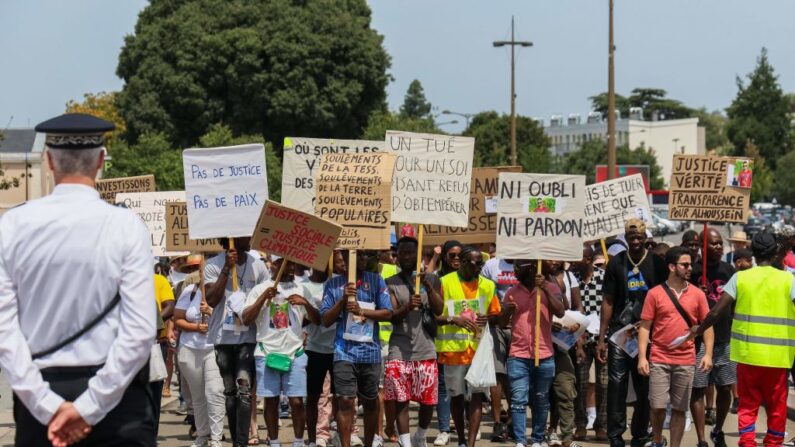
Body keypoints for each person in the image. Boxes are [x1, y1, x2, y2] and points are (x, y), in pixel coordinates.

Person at [0, 113, 157, 446]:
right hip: (118, 400)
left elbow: (4, 331)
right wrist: (91, 406)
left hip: (39, 396)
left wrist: (47, 406)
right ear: (100, 161)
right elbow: (140, 333)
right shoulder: (127, 227)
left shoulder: (12, 226)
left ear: (48, 161)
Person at [690, 232, 795, 447]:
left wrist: (699, 330)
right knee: (777, 405)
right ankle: (773, 443)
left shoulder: (740, 278)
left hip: (747, 355)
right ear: (776, 252)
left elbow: (716, 312)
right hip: (779, 357)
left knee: (748, 404)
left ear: (754, 254)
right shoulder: (789, 279)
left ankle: (747, 442)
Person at [597, 218, 668, 447]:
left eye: (639, 237)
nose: (636, 241)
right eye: (631, 238)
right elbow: (607, 301)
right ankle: (615, 436)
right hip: (621, 333)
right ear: (626, 240)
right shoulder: (616, 263)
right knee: (616, 385)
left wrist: (653, 325)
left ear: (646, 237)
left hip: (648, 333)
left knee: (644, 386)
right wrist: (602, 338)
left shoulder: (657, 264)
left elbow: (664, 299)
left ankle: (639, 434)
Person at [637, 246, 713, 447]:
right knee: (657, 406)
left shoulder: (697, 294)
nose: (690, 268)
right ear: (672, 266)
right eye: (685, 264)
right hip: (659, 358)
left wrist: (708, 354)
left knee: (680, 408)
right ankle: (656, 440)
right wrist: (642, 357)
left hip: (686, 359)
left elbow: (707, 327)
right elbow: (645, 326)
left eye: (690, 264)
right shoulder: (654, 293)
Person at [321, 250, 394, 447]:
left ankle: (369, 443)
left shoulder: (376, 280)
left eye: (366, 256)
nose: (362, 259)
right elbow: (325, 319)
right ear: (344, 259)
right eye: (357, 256)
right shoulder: (333, 284)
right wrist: (343, 300)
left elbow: (388, 313)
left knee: (370, 402)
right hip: (343, 351)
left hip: (370, 352)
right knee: (345, 400)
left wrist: (363, 311)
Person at [242, 258, 318, 447]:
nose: (291, 267)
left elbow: (316, 319)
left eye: (293, 263)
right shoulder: (261, 289)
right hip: (267, 353)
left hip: (296, 353)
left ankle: (298, 441)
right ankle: (274, 441)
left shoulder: (301, 288)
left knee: (297, 401)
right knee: (271, 401)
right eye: (285, 263)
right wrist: (263, 299)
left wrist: (305, 303)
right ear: (274, 265)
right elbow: (246, 319)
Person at [205, 237, 270, 447]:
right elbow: (212, 300)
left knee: (243, 388)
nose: (250, 239)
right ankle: (235, 439)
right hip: (223, 339)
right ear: (229, 239)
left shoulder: (258, 265)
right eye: (245, 236)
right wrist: (226, 268)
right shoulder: (213, 265)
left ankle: (241, 443)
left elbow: (266, 299)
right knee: (230, 392)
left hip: (248, 338)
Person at [436, 246, 501, 447]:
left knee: (477, 397)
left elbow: (496, 314)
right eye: (476, 263)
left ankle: (470, 443)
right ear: (463, 262)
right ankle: (462, 441)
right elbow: (434, 316)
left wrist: (487, 318)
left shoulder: (488, 285)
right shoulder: (445, 282)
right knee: (456, 397)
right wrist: (454, 319)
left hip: (478, 350)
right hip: (452, 351)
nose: (480, 266)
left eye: (481, 263)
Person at [384, 237, 444, 447]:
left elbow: (439, 309)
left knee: (428, 401)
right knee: (401, 399)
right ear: (397, 257)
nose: (407, 257)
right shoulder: (390, 282)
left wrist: (427, 284)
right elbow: (391, 315)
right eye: (403, 253)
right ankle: (406, 442)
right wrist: (408, 306)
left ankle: (420, 434)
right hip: (399, 349)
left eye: (411, 253)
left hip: (426, 348)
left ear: (418, 255)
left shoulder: (433, 280)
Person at [503, 260, 565, 447]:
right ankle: (521, 440)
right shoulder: (512, 292)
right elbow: (501, 322)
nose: (515, 270)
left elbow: (560, 312)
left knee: (541, 399)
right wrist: (507, 311)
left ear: (531, 268)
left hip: (544, 353)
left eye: (519, 267)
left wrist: (544, 288)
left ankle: (538, 439)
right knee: (518, 399)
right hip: (518, 354)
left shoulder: (551, 287)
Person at [688, 228, 735, 447]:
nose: (717, 247)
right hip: (698, 340)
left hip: (724, 337)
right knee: (698, 387)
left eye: (719, 244)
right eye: (712, 244)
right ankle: (701, 439)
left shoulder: (729, 270)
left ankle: (717, 430)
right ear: (703, 246)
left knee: (725, 387)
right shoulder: (693, 270)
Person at [174, 254, 225, 447]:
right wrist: (196, 327)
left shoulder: (223, 292)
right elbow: (178, 318)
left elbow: (232, 319)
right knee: (198, 396)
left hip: (213, 348)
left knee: (215, 392)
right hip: (190, 349)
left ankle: (217, 438)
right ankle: (202, 436)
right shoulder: (190, 291)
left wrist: (211, 312)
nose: (198, 273)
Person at [570, 246, 608, 441]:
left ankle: (601, 425)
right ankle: (580, 425)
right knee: (580, 383)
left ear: (589, 259)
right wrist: (577, 341)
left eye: (579, 257)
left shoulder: (604, 277)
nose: (575, 261)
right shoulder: (571, 279)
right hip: (580, 340)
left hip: (602, 339)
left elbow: (609, 305)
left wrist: (603, 338)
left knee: (603, 383)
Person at [481, 256, 518, 442]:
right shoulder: (491, 265)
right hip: (496, 325)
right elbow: (483, 291)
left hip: (519, 326)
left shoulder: (527, 261)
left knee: (515, 374)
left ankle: (512, 422)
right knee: (497, 374)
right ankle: (497, 423)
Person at [432, 240, 463, 446]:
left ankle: (464, 426)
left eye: (459, 255)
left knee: (466, 389)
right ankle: (444, 429)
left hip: (468, 345)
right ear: (444, 257)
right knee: (443, 387)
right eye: (451, 255)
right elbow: (434, 312)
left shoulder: (472, 279)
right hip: (443, 343)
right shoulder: (438, 279)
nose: (456, 259)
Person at [304, 262, 336, 447]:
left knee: (339, 396)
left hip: (336, 348)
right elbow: (304, 319)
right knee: (313, 396)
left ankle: (340, 434)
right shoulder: (303, 286)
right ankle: (312, 439)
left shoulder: (337, 283)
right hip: (314, 348)